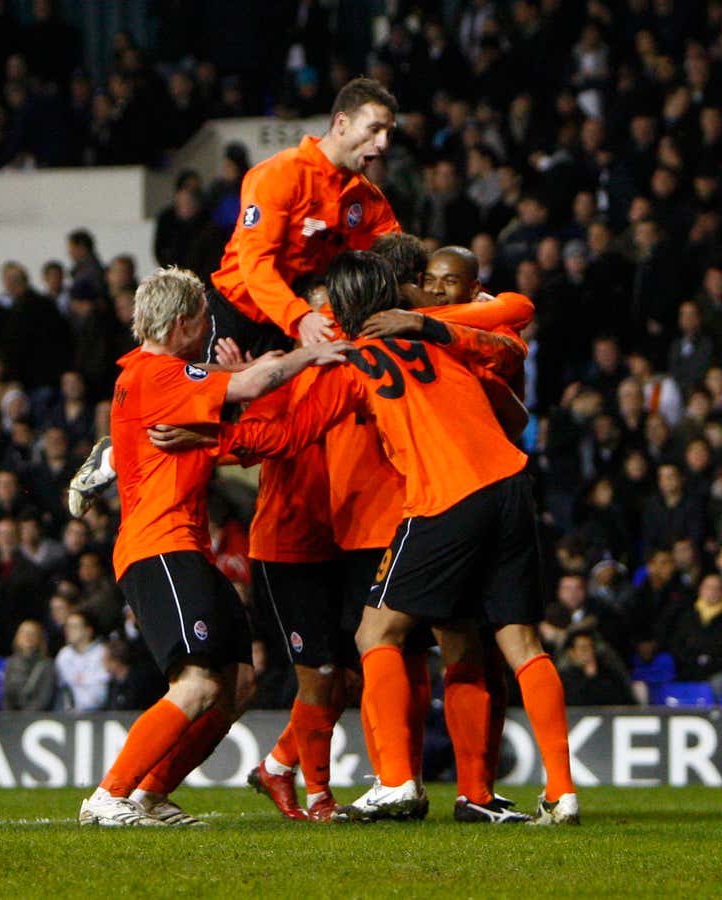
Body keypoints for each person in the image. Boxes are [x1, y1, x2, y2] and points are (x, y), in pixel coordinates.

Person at [226, 251, 580, 826]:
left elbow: (290, 435)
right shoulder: (443, 336)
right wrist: (432, 327)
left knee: (376, 632)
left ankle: (395, 783)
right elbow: (512, 371)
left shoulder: (350, 358)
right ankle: (560, 792)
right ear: (399, 291)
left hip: (443, 498)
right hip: (512, 484)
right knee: (519, 644)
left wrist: (213, 433)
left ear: (338, 307)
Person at [77, 266, 347, 827]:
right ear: (181, 322)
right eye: (203, 316)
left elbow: (233, 397)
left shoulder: (165, 376)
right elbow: (250, 388)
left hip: (185, 547)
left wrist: (239, 376)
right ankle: (109, 796)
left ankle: (152, 794)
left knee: (238, 684)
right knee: (197, 683)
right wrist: (311, 352)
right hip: (160, 547)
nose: (211, 325)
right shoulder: (160, 374)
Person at [207, 77, 401, 354]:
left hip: (299, 324)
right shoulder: (282, 174)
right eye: (374, 130)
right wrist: (298, 316)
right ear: (342, 123)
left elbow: (398, 258)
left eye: (388, 133)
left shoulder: (368, 199)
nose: (382, 144)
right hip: (238, 317)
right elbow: (256, 261)